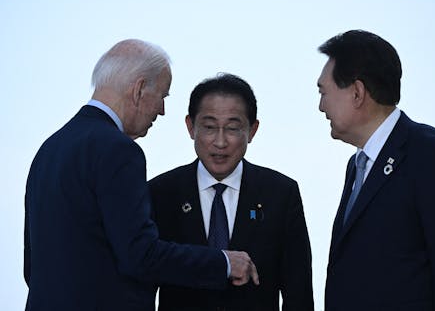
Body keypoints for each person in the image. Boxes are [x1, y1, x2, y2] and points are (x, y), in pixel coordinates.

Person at [24, 39, 259, 311]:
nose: (161, 110)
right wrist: (225, 263)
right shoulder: (119, 150)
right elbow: (141, 255)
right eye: (163, 96)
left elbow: (33, 266)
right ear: (138, 90)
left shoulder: (50, 148)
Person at [317, 30, 435, 310]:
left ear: (357, 92)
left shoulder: (427, 152)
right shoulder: (357, 165)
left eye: (324, 92)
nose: (321, 106)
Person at [148, 73, 314, 311]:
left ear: (253, 130)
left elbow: (298, 292)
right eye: (209, 127)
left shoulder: (280, 193)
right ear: (190, 126)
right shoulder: (161, 192)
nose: (220, 141)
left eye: (233, 128)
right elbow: (143, 280)